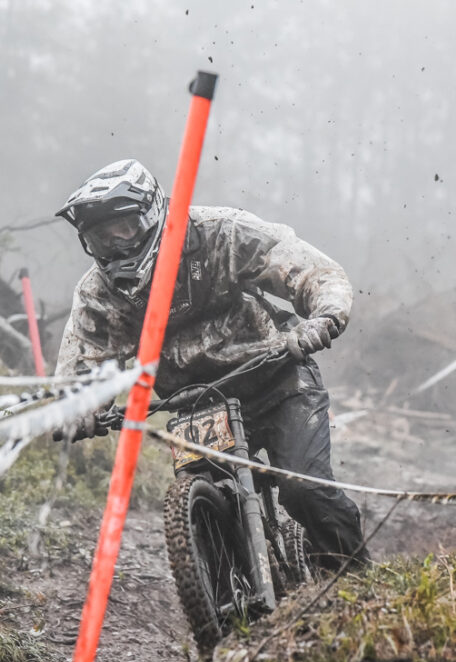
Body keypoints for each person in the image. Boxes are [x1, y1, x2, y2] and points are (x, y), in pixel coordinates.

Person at [52, 158, 369, 568]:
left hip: (275, 378)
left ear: (150, 216)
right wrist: (78, 409)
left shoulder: (218, 232)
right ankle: (225, 615)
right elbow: (83, 360)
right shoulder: (99, 292)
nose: (115, 247)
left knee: (304, 489)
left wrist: (324, 315)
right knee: (206, 517)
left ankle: (355, 583)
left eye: (123, 230)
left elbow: (308, 268)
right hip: (194, 404)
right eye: (100, 239)